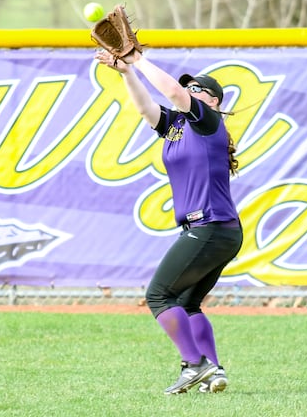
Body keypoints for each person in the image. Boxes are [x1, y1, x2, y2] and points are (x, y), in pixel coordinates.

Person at [94, 48, 243, 395]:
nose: (189, 92)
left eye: (198, 89)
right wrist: (125, 73)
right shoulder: (177, 125)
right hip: (218, 230)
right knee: (188, 302)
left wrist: (137, 59)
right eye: (189, 87)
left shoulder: (208, 121)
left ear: (214, 102)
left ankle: (195, 365)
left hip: (210, 226)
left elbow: (174, 92)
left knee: (159, 296)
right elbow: (147, 110)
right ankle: (213, 371)